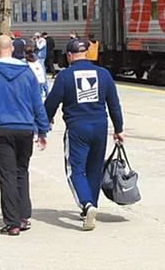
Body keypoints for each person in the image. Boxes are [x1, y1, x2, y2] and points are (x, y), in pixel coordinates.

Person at [0, 35, 49, 236]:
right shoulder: (27, 73)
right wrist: (42, 130)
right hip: (24, 129)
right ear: (13, 49)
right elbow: (37, 104)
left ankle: (13, 222)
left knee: (6, 176)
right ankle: (23, 216)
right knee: (21, 171)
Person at [46, 38, 124, 231]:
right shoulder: (103, 74)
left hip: (77, 128)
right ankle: (92, 206)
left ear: (70, 56)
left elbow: (51, 103)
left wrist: (46, 121)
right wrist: (118, 129)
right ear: (87, 53)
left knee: (76, 169)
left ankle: (87, 204)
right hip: (100, 126)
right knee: (95, 169)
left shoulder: (65, 76)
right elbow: (114, 104)